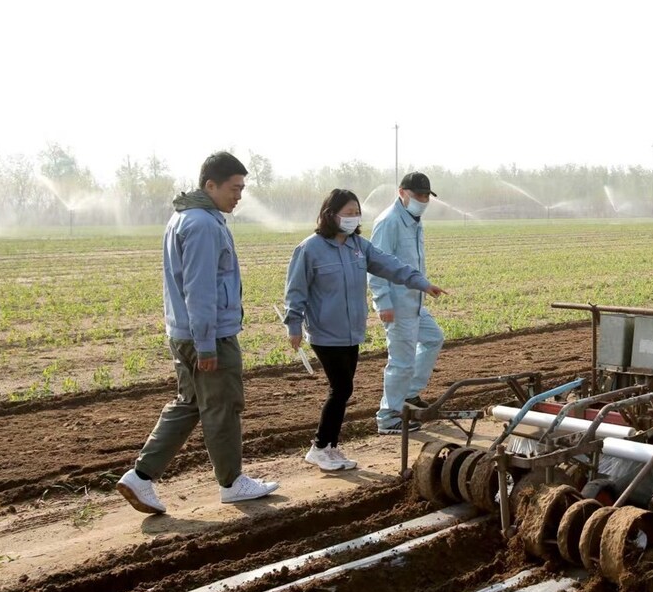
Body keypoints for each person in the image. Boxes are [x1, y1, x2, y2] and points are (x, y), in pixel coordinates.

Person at [116, 151, 280, 515]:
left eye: (242, 188)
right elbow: (200, 288)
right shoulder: (203, 225)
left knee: (189, 404)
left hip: (184, 333)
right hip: (209, 336)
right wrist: (207, 345)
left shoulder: (183, 218)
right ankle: (232, 482)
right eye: (234, 188)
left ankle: (140, 476)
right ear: (210, 185)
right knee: (222, 407)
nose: (239, 195)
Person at [283, 189, 447, 470]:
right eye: (347, 213)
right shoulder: (310, 249)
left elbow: (391, 265)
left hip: (351, 331)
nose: (353, 218)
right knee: (341, 388)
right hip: (325, 332)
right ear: (330, 214)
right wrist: (293, 323)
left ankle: (330, 447)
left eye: (356, 212)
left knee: (343, 390)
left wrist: (421, 282)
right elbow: (295, 290)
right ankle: (321, 447)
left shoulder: (358, 246)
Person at [369, 171, 446, 434]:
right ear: (402, 193)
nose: (423, 200)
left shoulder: (413, 220)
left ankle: (409, 394)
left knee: (433, 338)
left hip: (414, 301)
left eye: (426, 196)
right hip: (397, 304)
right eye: (418, 195)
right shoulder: (389, 222)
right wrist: (383, 303)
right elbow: (375, 266)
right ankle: (388, 416)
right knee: (400, 360)